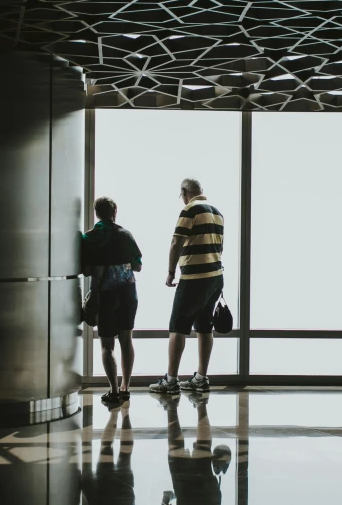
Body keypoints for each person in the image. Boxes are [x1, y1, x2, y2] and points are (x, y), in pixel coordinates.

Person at [150, 179, 224, 395]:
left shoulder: (189, 210)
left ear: (184, 192)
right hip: (215, 277)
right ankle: (201, 378)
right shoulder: (217, 213)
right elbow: (220, 246)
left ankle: (171, 381)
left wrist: (171, 271)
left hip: (195, 278)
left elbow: (177, 242)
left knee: (178, 327)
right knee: (204, 327)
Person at [82, 197, 142, 406]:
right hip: (128, 292)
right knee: (126, 340)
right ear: (114, 211)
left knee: (107, 345)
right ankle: (126, 387)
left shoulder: (89, 238)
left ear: (96, 213)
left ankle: (114, 391)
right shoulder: (126, 234)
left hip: (106, 295)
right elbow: (138, 267)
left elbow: (87, 270)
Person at [154, 393, 232, 505]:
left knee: (202, 450)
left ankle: (200, 404)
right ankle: (171, 406)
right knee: (177, 452)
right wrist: (166, 500)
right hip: (186, 492)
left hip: (207, 496)